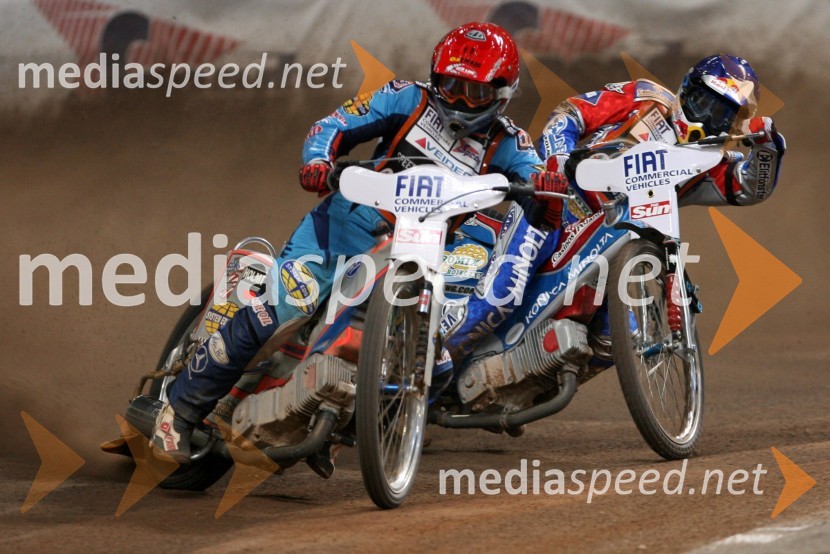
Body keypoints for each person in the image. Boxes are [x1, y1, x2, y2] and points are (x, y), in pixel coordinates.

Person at [151, 22, 567, 464]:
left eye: (475, 92)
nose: (461, 100)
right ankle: (176, 413)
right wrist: (317, 161)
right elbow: (334, 124)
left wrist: (547, 191)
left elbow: (541, 191)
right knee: (283, 308)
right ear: (434, 77)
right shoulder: (408, 98)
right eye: (451, 84)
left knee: (438, 365)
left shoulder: (510, 143)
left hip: (418, 256)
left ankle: (341, 427)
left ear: (502, 94)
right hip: (341, 231)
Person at [535, 54, 786, 351]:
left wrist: (768, 149)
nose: (707, 119)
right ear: (687, 91)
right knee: (510, 284)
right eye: (704, 103)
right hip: (558, 203)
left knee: (616, 342)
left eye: (721, 115)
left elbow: (748, 188)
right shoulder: (646, 97)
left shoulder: (708, 162)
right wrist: (558, 163)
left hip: (610, 249)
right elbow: (569, 114)